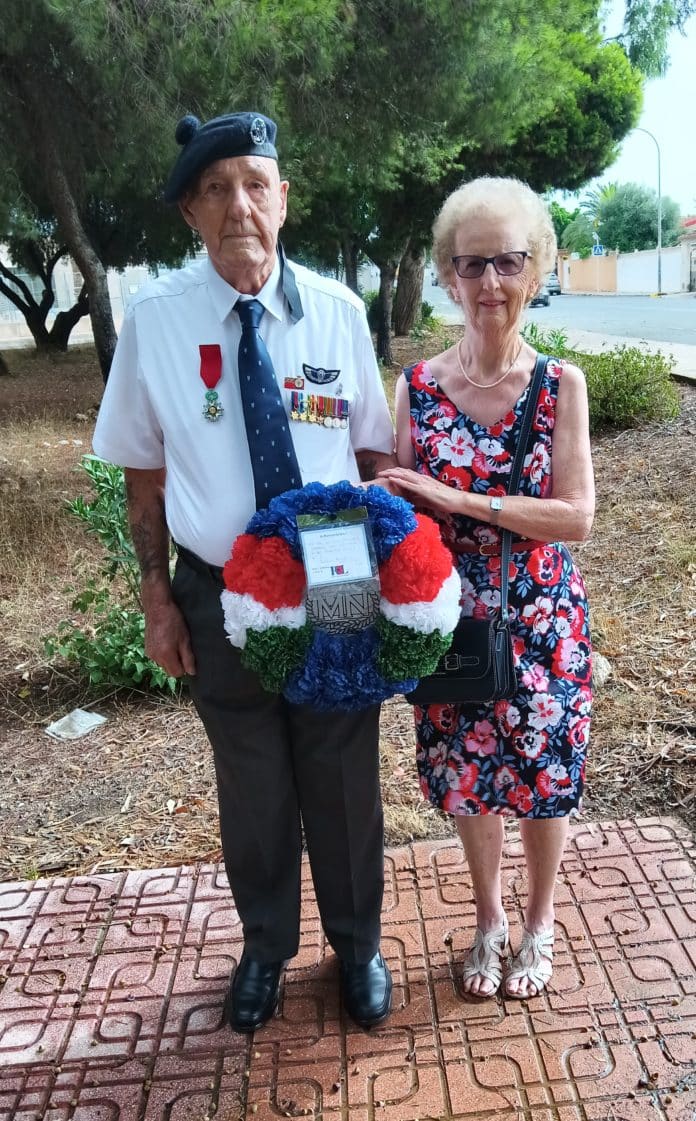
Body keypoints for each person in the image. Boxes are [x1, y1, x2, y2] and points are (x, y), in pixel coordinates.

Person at [93, 111, 396, 1032]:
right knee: (253, 777)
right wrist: (156, 598)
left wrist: (390, 580)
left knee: (343, 770)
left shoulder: (339, 314)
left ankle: (358, 943)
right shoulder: (156, 323)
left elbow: (375, 457)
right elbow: (143, 473)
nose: (239, 206)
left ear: (284, 199)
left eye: (255, 184)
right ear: (190, 210)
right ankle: (266, 946)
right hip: (219, 585)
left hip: (335, 578)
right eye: (216, 188)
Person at [380, 177, 594, 1000]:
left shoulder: (560, 386)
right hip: (450, 617)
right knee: (469, 776)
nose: (491, 282)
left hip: (543, 617)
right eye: (472, 264)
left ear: (536, 269)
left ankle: (539, 921)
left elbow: (576, 516)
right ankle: (490, 918)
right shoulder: (418, 387)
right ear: (448, 275)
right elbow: (400, 510)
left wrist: (463, 500)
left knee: (543, 775)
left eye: (508, 261)